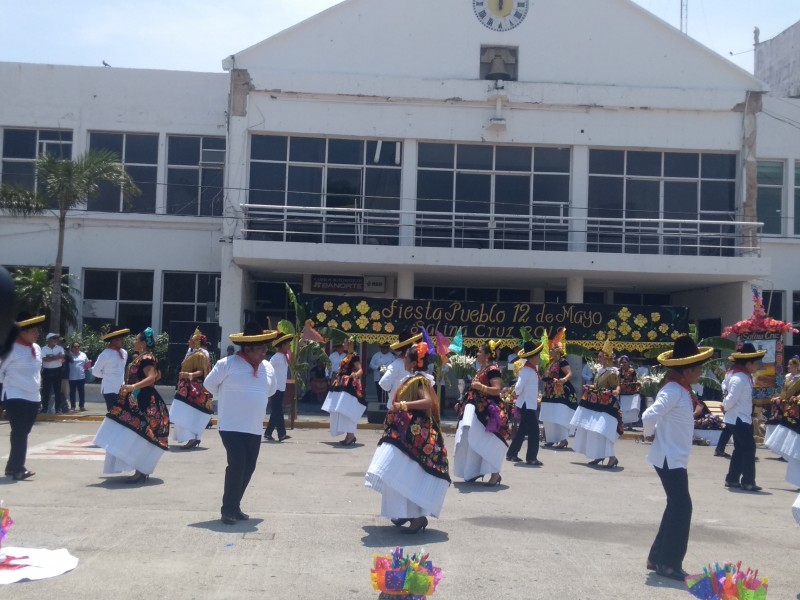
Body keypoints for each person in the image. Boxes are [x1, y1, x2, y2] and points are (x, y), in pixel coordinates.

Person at [641, 335, 713, 581]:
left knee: (677, 506)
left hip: (673, 457)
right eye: (698, 369)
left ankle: (657, 557)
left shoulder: (680, 389)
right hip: (669, 459)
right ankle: (669, 564)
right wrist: (649, 435)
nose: (700, 373)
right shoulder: (673, 390)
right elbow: (649, 415)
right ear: (688, 370)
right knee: (682, 507)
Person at [365, 341, 451, 534]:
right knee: (398, 472)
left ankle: (417, 517)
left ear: (413, 362)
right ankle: (402, 512)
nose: (403, 360)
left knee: (404, 472)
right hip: (406, 432)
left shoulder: (420, 381)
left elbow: (427, 402)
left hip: (414, 435)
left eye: (406, 358)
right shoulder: (412, 378)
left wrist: (403, 405)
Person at [203, 323, 277, 525]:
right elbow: (208, 384)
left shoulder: (268, 367)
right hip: (231, 425)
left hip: (253, 426)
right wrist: (227, 397)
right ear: (247, 349)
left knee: (249, 467)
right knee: (237, 465)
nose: (264, 351)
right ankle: (227, 510)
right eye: (260, 348)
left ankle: (235, 506)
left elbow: (270, 390)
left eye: (265, 347)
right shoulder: (227, 363)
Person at [93, 327, 170, 484]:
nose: (133, 342)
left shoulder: (146, 358)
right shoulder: (144, 357)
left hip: (144, 400)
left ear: (142, 343)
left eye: (136, 339)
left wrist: (134, 387)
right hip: (138, 398)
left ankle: (140, 469)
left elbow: (152, 377)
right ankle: (140, 467)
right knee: (135, 433)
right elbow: (158, 375)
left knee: (140, 433)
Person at [453, 341, 509, 486]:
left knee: (488, 442)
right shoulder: (482, 368)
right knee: (473, 440)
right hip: (478, 411)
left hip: (488, 413)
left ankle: (495, 474)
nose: (477, 354)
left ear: (487, 355)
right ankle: (473, 471)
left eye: (479, 352)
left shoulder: (492, 369)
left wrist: (480, 386)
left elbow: (496, 389)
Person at [0, 313, 45, 480]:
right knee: (19, 432)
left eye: (37, 331)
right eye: (33, 330)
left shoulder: (37, 348)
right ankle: (19, 468)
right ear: (22, 332)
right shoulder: (10, 348)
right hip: (15, 394)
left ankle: (12, 467)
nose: (36, 333)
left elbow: (37, 371)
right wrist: (10, 384)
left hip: (33, 396)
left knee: (23, 432)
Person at [570, 340, 622, 468]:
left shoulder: (612, 372)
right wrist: (590, 387)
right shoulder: (601, 371)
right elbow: (597, 385)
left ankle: (612, 457)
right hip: (598, 405)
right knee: (594, 430)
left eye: (600, 357)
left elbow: (617, 387)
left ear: (607, 358)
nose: (598, 359)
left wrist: (616, 392)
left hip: (608, 407)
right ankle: (599, 455)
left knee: (604, 431)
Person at [723, 343, 767, 492]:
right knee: (749, 448)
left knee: (740, 449)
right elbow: (730, 399)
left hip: (740, 418)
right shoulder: (739, 378)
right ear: (748, 363)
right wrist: (726, 407)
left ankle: (732, 479)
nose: (758, 366)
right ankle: (748, 481)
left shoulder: (744, 376)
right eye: (756, 363)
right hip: (738, 419)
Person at [170, 327, 213, 450]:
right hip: (186, 388)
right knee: (184, 412)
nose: (189, 342)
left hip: (193, 389)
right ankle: (192, 437)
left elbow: (201, 371)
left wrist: (188, 375)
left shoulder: (200, 354)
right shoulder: (192, 352)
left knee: (188, 412)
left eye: (191, 340)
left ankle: (192, 438)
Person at [506, 340, 544, 466]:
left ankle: (512, 453)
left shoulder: (531, 370)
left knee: (523, 430)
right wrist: (515, 393)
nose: (539, 358)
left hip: (528, 404)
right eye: (537, 356)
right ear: (532, 358)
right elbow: (518, 387)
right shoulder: (527, 371)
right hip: (526, 405)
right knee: (534, 431)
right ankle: (531, 457)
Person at [765, 356, 800, 490]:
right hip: (791, 409)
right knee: (794, 446)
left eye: (791, 365)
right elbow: (785, 392)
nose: (789, 367)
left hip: (793, 409)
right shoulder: (787, 377)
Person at [322, 337, 365, 445]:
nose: (343, 344)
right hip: (341, 385)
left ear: (350, 343)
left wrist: (355, 374)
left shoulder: (354, 356)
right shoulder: (347, 356)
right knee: (340, 410)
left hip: (348, 386)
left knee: (346, 410)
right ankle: (349, 435)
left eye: (345, 342)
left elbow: (360, 370)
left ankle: (350, 435)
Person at [539, 342, 577, 449]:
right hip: (550, 392)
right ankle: (551, 439)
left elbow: (569, 373)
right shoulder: (551, 363)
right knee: (549, 415)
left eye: (552, 350)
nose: (550, 351)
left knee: (559, 415)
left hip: (560, 391)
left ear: (557, 352)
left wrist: (563, 379)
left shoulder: (562, 362)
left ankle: (563, 439)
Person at [379, 330, 422, 410]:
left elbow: (384, 383)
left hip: (408, 406)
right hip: (397, 407)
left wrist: (391, 390)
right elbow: (384, 382)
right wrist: (391, 391)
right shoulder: (397, 364)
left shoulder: (401, 364)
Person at [92, 326, 130, 411]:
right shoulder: (105, 354)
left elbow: (122, 369)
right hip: (109, 388)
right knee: (113, 413)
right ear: (113, 340)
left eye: (123, 339)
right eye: (120, 339)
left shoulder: (124, 353)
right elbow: (95, 371)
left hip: (121, 388)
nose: (123, 341)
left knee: (124, 414)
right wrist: (107, 375)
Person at [265, 333, 293, 442]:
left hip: (281, 387)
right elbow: (268, 368)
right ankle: (282, 433)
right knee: (278, 410)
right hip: (275, 388)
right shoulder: (276, 357)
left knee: (275, 411)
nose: (289, 346)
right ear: (282, 346)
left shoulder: (284, 356)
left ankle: (268, 433)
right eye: (288, 344)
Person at [40, 332, 65, 414]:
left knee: (57, 391)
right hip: (47, 371)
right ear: (48, 340)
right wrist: (56, 356)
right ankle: (44, 408)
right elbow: (44, 359)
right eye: (53, 338)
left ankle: (58, 409)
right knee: (46, 391)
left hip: (58, 370)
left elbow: (62, 356)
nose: (55, 340)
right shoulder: (44, 349)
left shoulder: (60, 348)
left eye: (56, 338)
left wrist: (50, 357)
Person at [617, 355, 642, 430]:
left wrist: (637, 386)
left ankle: (630, 424)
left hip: (630, 392)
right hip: (622, 392)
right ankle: (623, 424)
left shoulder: (632, 371)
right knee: (623, 408)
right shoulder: (619, 371)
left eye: (625, 362)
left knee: (630, 408)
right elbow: (618, 381)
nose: (623, 364)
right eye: (622, 362)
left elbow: (635, 380)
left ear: (628, 363)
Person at [67, 341, 91, 411]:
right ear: (72, 348)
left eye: (78, 346)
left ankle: (82, 406)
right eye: (75, 346)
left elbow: (87, 363)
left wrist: (88, 365)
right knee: (72, 392)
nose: (77, 348)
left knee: (81, 392)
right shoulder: (69, 355)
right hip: (71, 377)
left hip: (81, 376)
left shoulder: (83, 354)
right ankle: (73, 406)